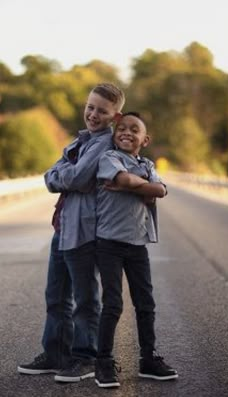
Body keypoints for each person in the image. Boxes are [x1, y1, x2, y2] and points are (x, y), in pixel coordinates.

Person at [17, 83, 125, 383]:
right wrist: (62, 176)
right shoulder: (81, 141)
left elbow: (75, 177)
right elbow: (50, 175)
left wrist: (61, 175)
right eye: (90, 107)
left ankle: (85, 357)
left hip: (84, 231)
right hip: (63, 226)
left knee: (85, 299)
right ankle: (55, 355)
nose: (93, 114)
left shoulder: (104, 144)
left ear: (114, 116)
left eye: (102, 111)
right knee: (56, 296)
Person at [94, 112, 178, 388]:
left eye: (134, 129)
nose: (126, 132)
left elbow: (162, 191)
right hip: (109, 243)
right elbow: (131, 182)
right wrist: (141, 187)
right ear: (114, 134)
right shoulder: (110, 158)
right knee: (113, 304)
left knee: (146, 304)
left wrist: (134, 185)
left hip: (137, 244)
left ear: (145, 139)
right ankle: (103, 362)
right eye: (121, 128)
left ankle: (149, 359)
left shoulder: (147, 163)